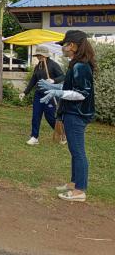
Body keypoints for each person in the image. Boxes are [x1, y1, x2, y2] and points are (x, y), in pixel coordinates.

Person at [38, 30, 95, 202]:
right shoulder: (75, 64)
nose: (62, 47)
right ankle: (74, 182)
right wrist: (56, 88)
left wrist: (58, 94)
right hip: (71, 113)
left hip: (77, 114)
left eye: (64, 44)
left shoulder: (81, 66)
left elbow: (81, 94)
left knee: (78, 152)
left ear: (72, 45)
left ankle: (79, 191)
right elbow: (71, 86)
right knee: (73, 150)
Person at [19, 46, 64, 145]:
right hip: (39, 94)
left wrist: (53, 80)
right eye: (37, 55)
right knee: (36, 116)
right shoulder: (38, 66)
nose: (38, 57)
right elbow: (33, 80)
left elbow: (62, 76)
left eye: (40, 55)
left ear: (45, 55)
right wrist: (25, 92)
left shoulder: (53, 65)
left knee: (50, 117)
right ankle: (34, 137)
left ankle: (62, 134)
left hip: (50, 94)